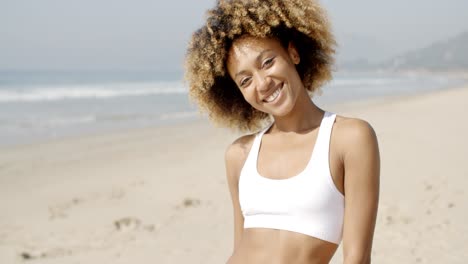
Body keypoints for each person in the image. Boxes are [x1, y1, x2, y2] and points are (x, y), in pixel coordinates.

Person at [184, 0, 380, 263]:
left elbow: (357, 257)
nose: (262, 83)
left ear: (293, 53)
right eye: (245, 80)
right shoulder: (239, 155)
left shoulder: (349, 138)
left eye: (267, 62)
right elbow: (239, 246)